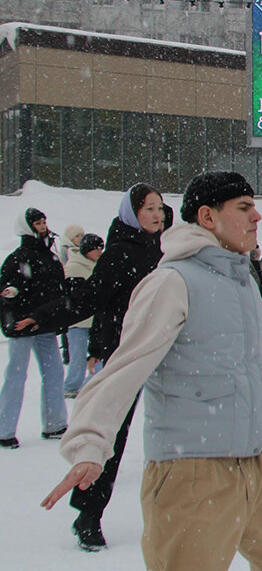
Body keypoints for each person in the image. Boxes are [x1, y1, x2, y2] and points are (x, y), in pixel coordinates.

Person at [42, 171, 262, 570]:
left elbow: (256, 381)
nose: (257, 217)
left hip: (258, 466)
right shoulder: (172, 282)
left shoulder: (245, 287)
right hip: (191, 474)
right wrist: (90, 444)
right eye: (244, 207)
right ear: (207, 216)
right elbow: (122, 371)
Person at [17, 184, 166, 551]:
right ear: (132, 213)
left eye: (160, 208)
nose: (157, 214)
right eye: (148, 208)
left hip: (164, 353)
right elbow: (90, 298)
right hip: (126, 354)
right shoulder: (119, 254)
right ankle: (89, 514)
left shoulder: (162, 251)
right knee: (110, 436)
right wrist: (43, 315)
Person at [0, 208, 69, 449]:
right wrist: (13, 299)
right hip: (22, 326)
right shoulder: (18, 258)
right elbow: (9, 290)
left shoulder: (49, 257)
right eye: (37, 223)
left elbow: (57, 290)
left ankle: (55, 423)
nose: (42, 226)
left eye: (43, 222)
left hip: (44, 325)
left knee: (54, 373)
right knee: (17, 375)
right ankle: (4, 429)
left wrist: (54, 317)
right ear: (27, 227)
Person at [62, 234, 105, 397]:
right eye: (96, 248)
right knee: (78, 357)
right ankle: (71, 387)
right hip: (78, 322)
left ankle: (91, 385)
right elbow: (69, 296)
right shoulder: (73, 268)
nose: (100, 252)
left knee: (100, 356)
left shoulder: (100, 266)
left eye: (102, 248)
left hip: (97, 320)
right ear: (87, 250)